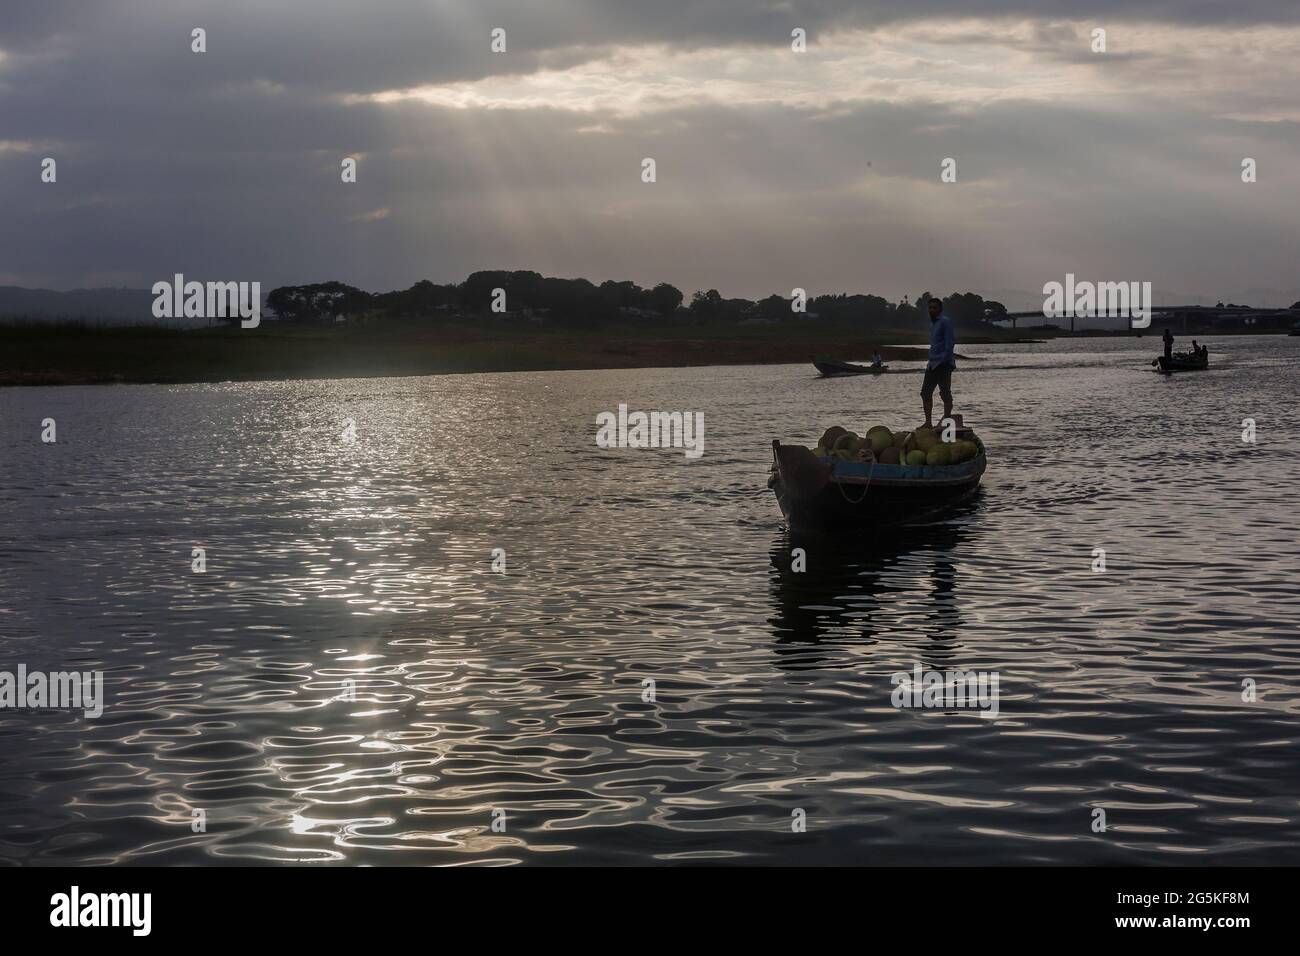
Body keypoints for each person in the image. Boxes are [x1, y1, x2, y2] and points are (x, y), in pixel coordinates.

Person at [921, 297, 955, 428]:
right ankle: (928, 422)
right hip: (932, 364)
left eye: (934, 307)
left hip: (943, 363)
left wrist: (944, 360)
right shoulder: (933, 324)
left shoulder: (945, 322)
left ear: (940, 309)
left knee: (945, 393)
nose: (931, 310)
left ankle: (947, 421)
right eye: (930, 308)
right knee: (925, 393)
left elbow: (949, 343)